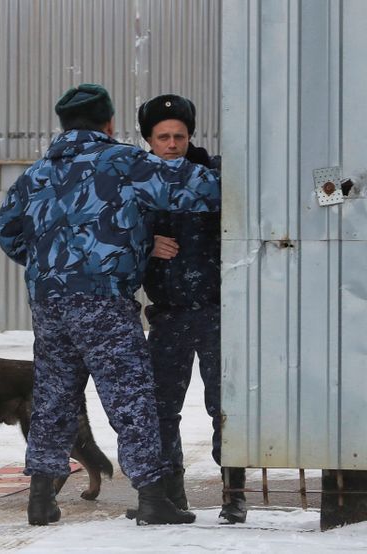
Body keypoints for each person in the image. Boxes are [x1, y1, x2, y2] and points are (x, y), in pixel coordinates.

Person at [0, 83, 220, 526]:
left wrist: (52, 262)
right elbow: (202, 190)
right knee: (130, 397)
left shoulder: (36, 173)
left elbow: (7, 231)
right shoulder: (123, 162)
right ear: (110, 122)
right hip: (102, 300)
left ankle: (41, 497)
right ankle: (153, 497)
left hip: (48, 301)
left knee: (55, 396)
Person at [137, 94, 246, 524]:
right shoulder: (137, 180)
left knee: (225, 406)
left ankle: (233, 493)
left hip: (219, 312)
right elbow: (113, 230)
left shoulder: (213, 174)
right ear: (148, 138)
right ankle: (171, 492)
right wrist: (145, 246)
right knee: (162, 407)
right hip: (168, 313)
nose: (172, 143)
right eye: (163, 136)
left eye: (179, 135)